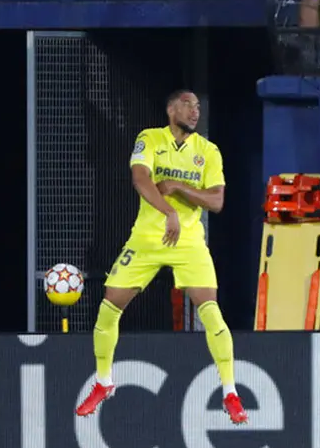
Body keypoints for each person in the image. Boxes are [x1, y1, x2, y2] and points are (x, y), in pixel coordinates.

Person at [75, 90, 247, 424]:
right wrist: (168, 210)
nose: (194, 111)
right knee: (109, 307)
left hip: (189, 241)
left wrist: (180, 188)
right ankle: (103, 381)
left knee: (210, 312)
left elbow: (217, 201)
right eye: (187, 104)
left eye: (198, 106)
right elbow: (140, 179)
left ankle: (230, 393)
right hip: (148, 237)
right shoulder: (150, 138)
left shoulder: (208, 151)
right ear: (170, 109)